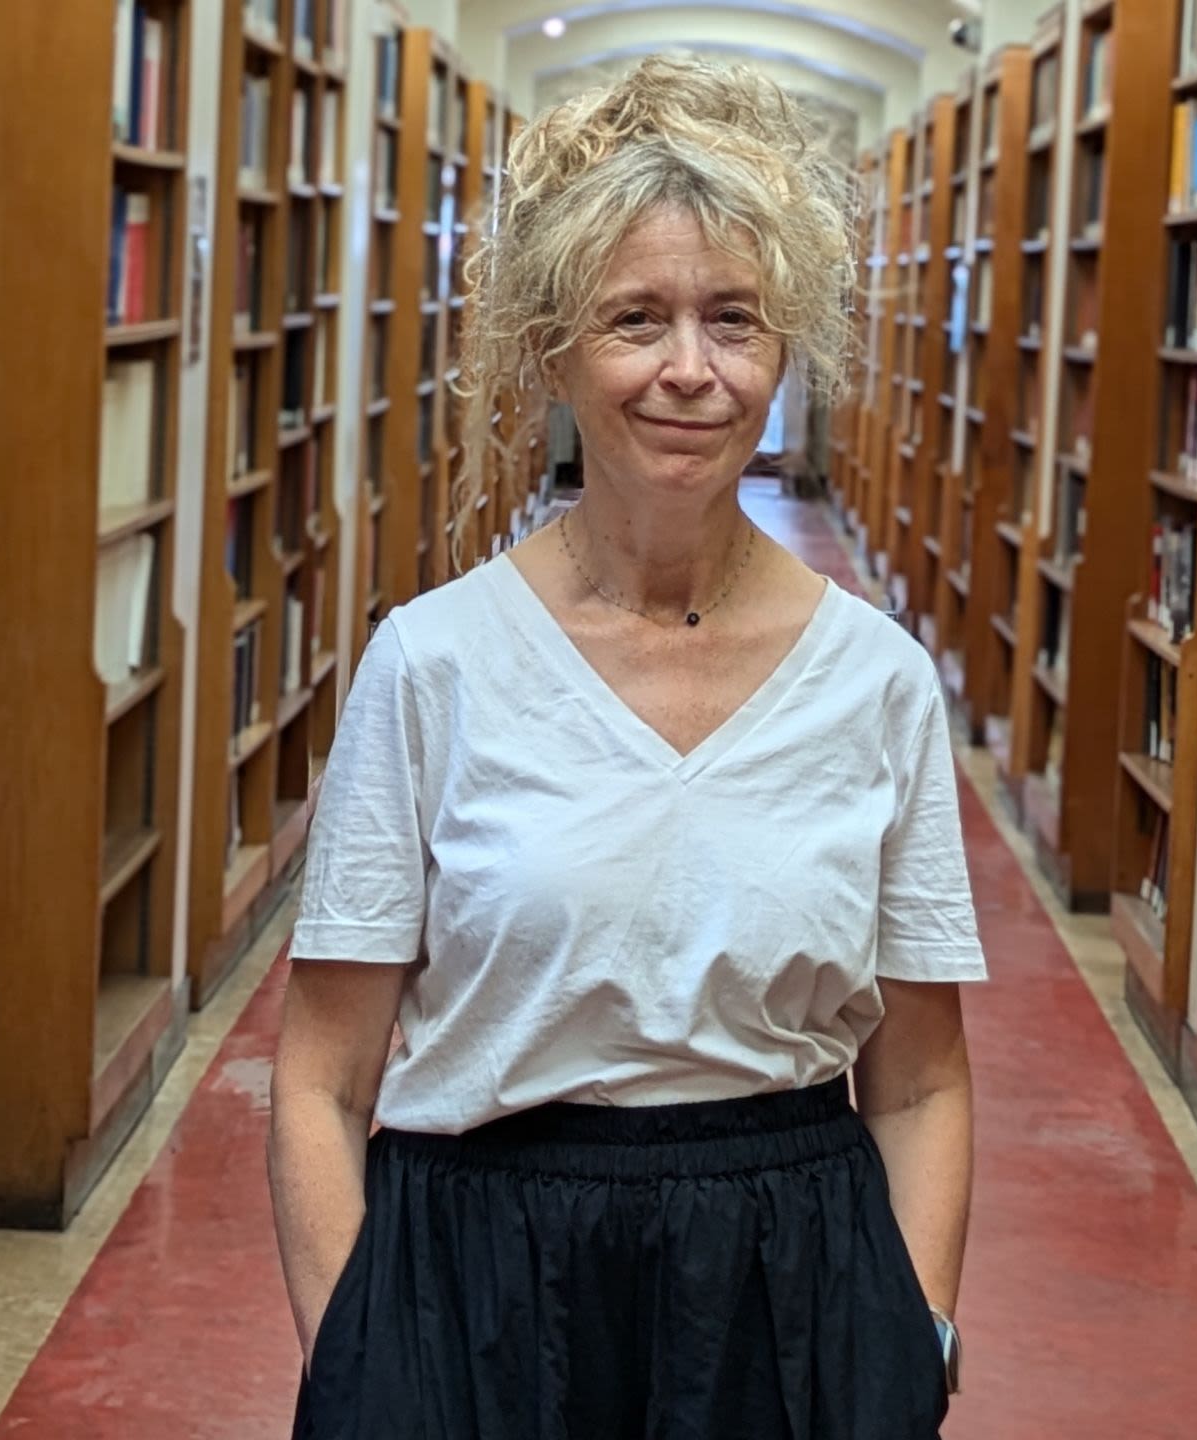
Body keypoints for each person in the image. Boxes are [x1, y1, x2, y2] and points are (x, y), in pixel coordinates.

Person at [269, 54, 986, 1440]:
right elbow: (321, 1075)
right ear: (551, 349)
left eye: (735, 320)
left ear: (787, 350)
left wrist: (916, 1344)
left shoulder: (879, 685)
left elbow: (924, 1079)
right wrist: (360, 1362)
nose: (690, 372)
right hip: (475, 1287)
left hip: (790, 1301)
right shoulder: (434, 664)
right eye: (635, 319)